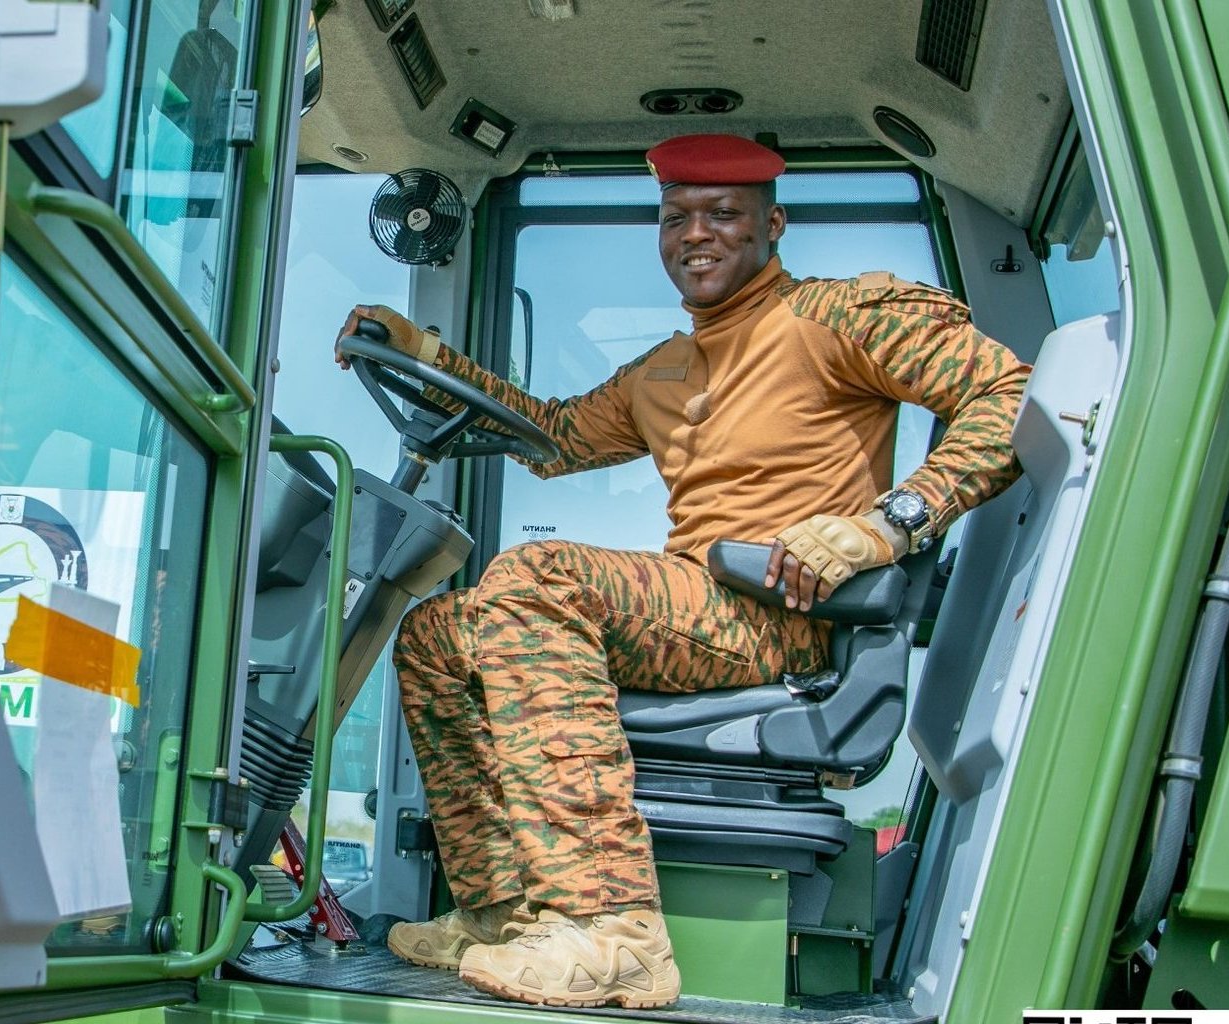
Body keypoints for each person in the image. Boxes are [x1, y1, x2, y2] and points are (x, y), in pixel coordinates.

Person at [335, 133, 1031, 1009]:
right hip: (690, 611)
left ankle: (613, 929)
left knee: (538, 576)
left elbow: (1009, 396)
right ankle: (504, 912)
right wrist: (428, 355)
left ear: (772, 225)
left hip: (774, 610)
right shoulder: (660, 368)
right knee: (438, 632)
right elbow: (550, 434)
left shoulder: (837, 316)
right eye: (675, 218)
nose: (694, 235)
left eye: (722, 215)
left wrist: (883, 526)